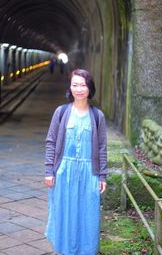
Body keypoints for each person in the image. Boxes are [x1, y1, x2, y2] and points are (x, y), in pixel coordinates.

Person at [44, 68, 108, 255]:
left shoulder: (98, 116)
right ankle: (64, 251)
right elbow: (51, 142)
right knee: (64, 214)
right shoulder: (61, 112)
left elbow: (102, 147)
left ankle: (86, 251)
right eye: (75, 85)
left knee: (88, 215)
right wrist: (49, 171)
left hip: (89, 173)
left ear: (90, 88)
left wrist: (102, 175)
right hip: (64, 171)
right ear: (70, 87)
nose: (79, 89)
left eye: (83, 85)